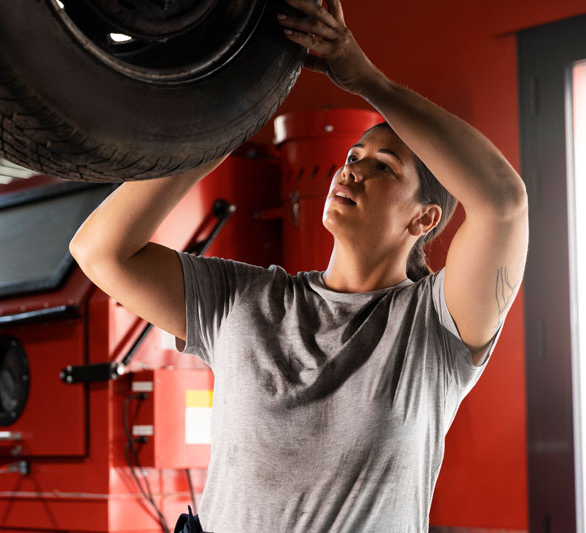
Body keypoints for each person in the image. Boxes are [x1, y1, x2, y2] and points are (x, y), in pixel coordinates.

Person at [69, 0, 529, 530]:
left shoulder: (432, 330)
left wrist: (367, 80)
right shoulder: (244, 301)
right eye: (353, 157)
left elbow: (503, 202)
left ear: (424, 219)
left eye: (383, 166)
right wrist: (223, 120)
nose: (351, 172)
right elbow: (101, 251)